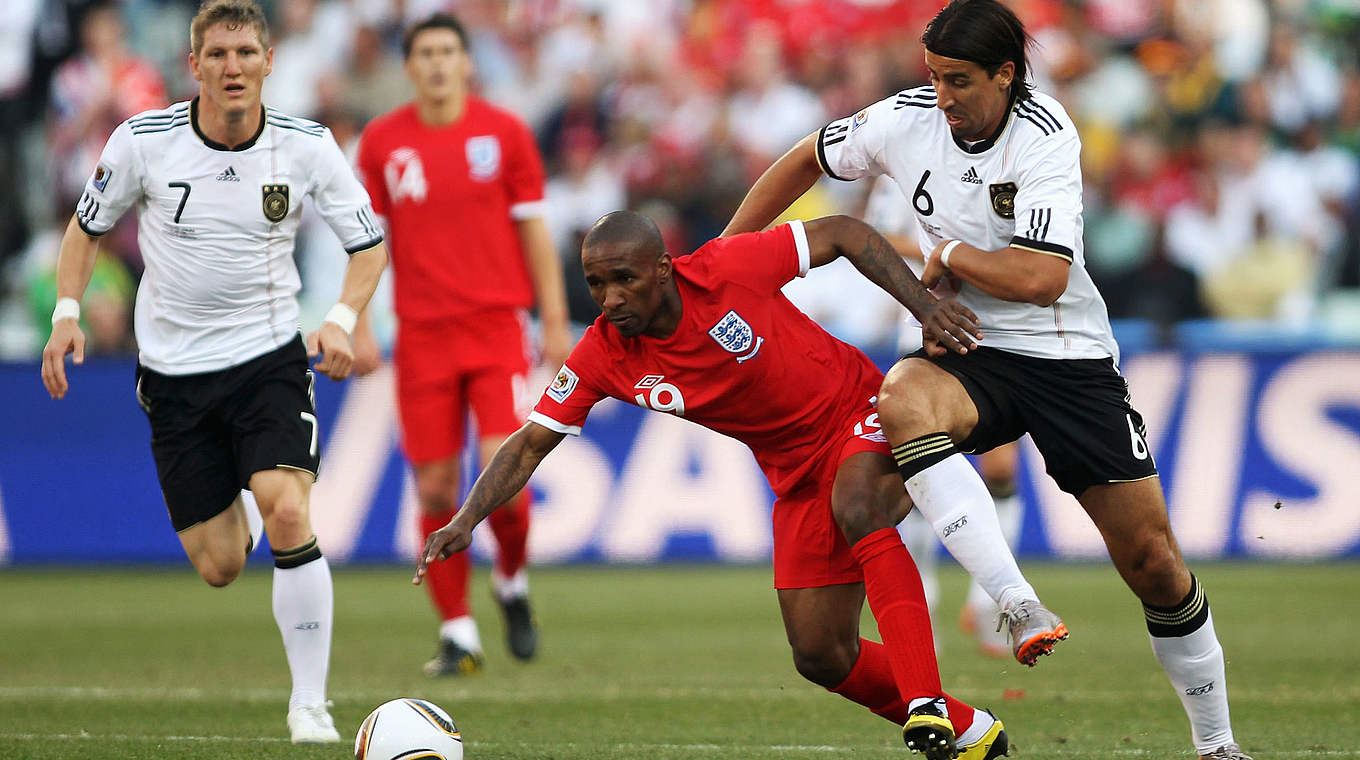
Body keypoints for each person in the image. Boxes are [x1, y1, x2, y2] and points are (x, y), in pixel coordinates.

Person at [723, 2, 1252, 759]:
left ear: (1006, 75)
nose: (942, 96)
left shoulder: (1045, 133)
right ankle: (1012, 601)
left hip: (1065, 356)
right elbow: (808, 156)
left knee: (1154, 563)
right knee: (900, 401)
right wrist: (725, 258)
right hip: (969, 344)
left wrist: (949, 256)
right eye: (935, 77)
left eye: (960, 81)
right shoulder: (905, 118)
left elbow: (1040, 279)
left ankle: (1218, 744)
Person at [418, 209, 1005, 759]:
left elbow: (843, 233)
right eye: (597, 283)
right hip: (796, 475)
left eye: (624, 279)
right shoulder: (603, 353)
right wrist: (466, 519)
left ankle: (926, 703)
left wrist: (924, 306)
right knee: (820, 653)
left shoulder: (727, 268)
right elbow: (528, 442)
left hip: (862, 412)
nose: (611, 298)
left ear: (662, 269)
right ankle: (974, 732)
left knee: (857, 505)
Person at [39, 0, 388, 744]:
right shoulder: (143, 141)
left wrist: (340, 319)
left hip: (268, 357)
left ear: (269, 62)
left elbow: (368, 245)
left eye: (247, 53)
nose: (234, 67)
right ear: (193, 65)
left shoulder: (307, 147)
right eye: (219, 55)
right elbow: (85, 229)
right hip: (173, 373)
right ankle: (250, 498)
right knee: (221, 565)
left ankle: (310, 705)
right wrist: (67, 311)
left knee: (290, 510)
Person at [355, 13, 573, 677]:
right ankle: (458, 631)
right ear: (409, 66)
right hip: (421, 335)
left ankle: (511, 580)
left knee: (505, 473)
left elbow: (535, 230)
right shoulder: (382, 142)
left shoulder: (504, 133)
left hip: (496, 327)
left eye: (449, 50)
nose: (438, 62)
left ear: (467, 62)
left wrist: (555, 319)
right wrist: (356, 319)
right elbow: (366, 241)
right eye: (426, 52)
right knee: (434, 488)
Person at [864, 173, 1021, 658]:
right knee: (916, 474)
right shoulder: (900, 171)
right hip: (924, 327)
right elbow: (876, 240)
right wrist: (951, 254)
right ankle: (924, 597)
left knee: (1001, 469)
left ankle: (988, 600)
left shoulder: (1002, 165)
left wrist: (968, 257)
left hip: (993, 331)